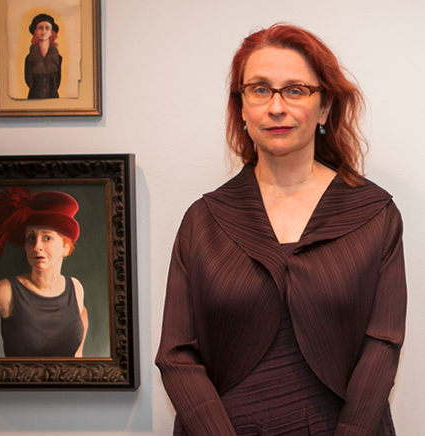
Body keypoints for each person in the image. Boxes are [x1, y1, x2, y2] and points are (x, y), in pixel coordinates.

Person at [156, 24, 406, 436]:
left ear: (324, 107)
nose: (276, 107)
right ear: (241, 106)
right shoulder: (204, 220)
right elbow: (176, 354)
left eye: (295, 90)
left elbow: (383, 345)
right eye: (259, 89)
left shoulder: (374, 214)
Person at [0, 187, 88, 357]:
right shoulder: (8, 292)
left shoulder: (75, 288)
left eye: (47, 238)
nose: (37, 246)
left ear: (66, 248)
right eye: (31, 238)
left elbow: (78, 354)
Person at [24, 13, 62, 99]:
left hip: (53, 99)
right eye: (40, 28)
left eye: (47, 28)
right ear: (35, 32)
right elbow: (28, 80)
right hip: (34, 98)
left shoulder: (58, 58)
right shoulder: (29, 58)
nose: (44, 31)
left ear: (51, 33)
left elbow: (58, 81)